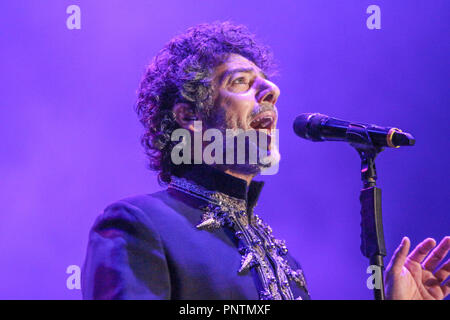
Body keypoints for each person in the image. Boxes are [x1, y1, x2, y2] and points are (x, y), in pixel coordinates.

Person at [81, 21, 449, 300]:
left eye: (266, 82)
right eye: (241, 82)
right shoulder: (138, 225)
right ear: (187, 117)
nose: (272, 90)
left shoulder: (285, 262)